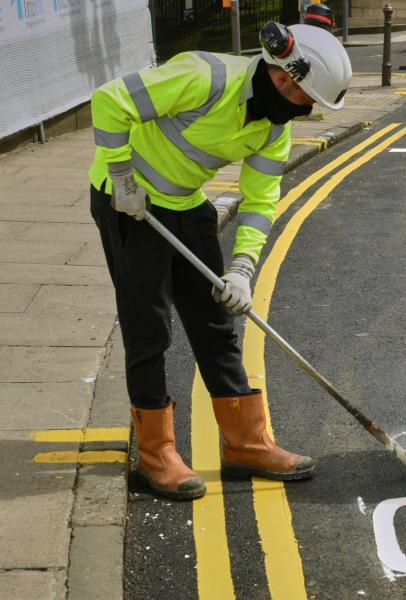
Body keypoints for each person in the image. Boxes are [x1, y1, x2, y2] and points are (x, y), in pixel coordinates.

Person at [88, 21, 352, 499]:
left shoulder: (273, 128)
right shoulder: (205, 76)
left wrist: (243, 269)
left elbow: (259, 200)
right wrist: (121, 175)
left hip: (186, 205)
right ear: (285, 79)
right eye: (308, 100)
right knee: (149, 327)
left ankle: (246, 445)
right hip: (130, 204)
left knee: (216, 322)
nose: (307, 111)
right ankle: (154, 455)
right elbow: (109, 100)